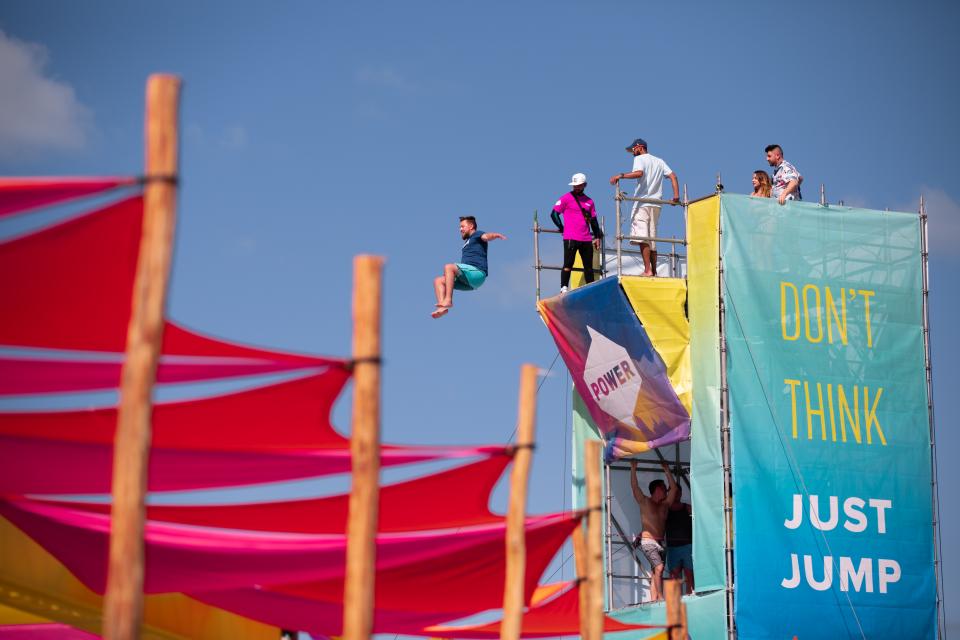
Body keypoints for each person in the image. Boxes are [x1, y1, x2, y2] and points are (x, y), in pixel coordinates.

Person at [610, 138, 679, 277]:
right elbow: (673, 176)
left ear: (640, 148)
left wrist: (620, 175)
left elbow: (639, 173)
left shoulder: (640, 159)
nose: (633, 153)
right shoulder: (659, 161)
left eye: (633, 150)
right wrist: (676, 196)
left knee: (643, 238)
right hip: (656, 204)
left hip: (642, 203)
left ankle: (648, 270)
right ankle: (653, 271)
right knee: (652, 239)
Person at [431, 216, 506, 319]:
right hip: (469, 283)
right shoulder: (467, 242)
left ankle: (448, 300)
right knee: (438, 281)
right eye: (460, 227)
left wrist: (495, 235)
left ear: (471, 226)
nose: (460, 229)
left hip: (477, 273)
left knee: (449, 267)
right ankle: (442, 307)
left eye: (462, 226)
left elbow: (486, 236)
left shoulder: (477, 234)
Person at [629, 459, 678, 602]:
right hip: (648, 541)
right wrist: (633, 468)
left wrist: (667, 470)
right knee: (660, 567)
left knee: (655, 571)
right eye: (663, 488)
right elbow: (635, 487)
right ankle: (661, 597)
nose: (666, 490)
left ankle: (654, 598)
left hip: (661, 543)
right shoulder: (645, 501)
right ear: (657, 489)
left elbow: (674, 489)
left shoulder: (665, 504)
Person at [550, 172, 603, 294]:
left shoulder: (590, 201)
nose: (576, 187)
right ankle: (564, 288)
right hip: (570, 237)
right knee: (568, 264)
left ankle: (591, 288)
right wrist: (562, 228)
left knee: (588, 267)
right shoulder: (566, 198)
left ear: (585, 185)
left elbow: (593, 221)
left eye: (579, 185)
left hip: (586, 239)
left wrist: (597, 237)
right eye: (574, 185)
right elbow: (553, 214)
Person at [665, 483, 695, 595]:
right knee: (673, 577)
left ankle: (691, 600)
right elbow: (655, 524)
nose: (676, 494)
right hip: (672, 547)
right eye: (673, 491)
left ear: (681, 493)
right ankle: (674, 603)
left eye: (678, 492)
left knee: (689, 575)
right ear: (669, 493)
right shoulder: (665, 509)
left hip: (688, 546)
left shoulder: (687, 508)